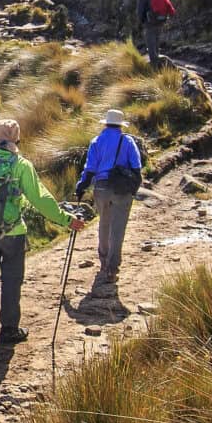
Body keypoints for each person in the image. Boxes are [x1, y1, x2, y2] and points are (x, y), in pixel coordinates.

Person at [0, 118, 84, 348]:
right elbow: (40, 199)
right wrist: (66, 220)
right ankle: (9, 329)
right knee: (11, 281)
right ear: (17, 140)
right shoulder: (20, 165)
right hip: (13, 233)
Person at [72, 109, 145, 294]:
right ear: (121, 125)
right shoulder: (128, 141)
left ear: (105, 123)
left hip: (101, 188)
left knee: (104, 224)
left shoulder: (96, 141)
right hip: (121, 189)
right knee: (117, 228)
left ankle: (103, 263)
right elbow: (136, 167)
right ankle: (112, 270)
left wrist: (81, 187)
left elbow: (89, 169)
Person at [134, 0, 176, 64]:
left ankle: (154, 62)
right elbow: (169, 7)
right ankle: (157, 57)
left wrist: (140, 22)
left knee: (150, 41)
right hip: (161, 20)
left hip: (149, 22)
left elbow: (140, 11)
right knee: (157, 38)